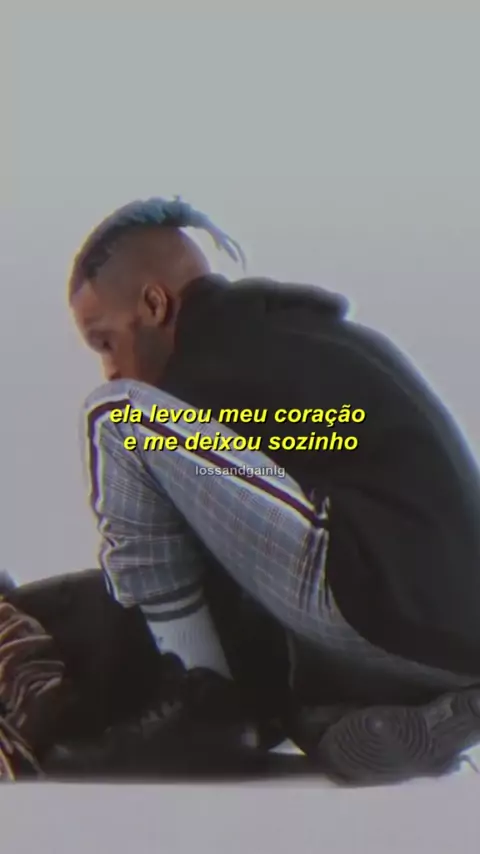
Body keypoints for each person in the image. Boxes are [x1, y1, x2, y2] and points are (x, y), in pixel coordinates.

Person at [65, 195, 480, 785]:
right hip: (435, 633)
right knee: (292, 688)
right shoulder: (294, 339)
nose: (109, 366)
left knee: (118, 416)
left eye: (105, 342)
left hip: (374, 585)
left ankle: (203, 702)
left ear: (154, 304)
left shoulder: (218, 353)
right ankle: (378, 716)